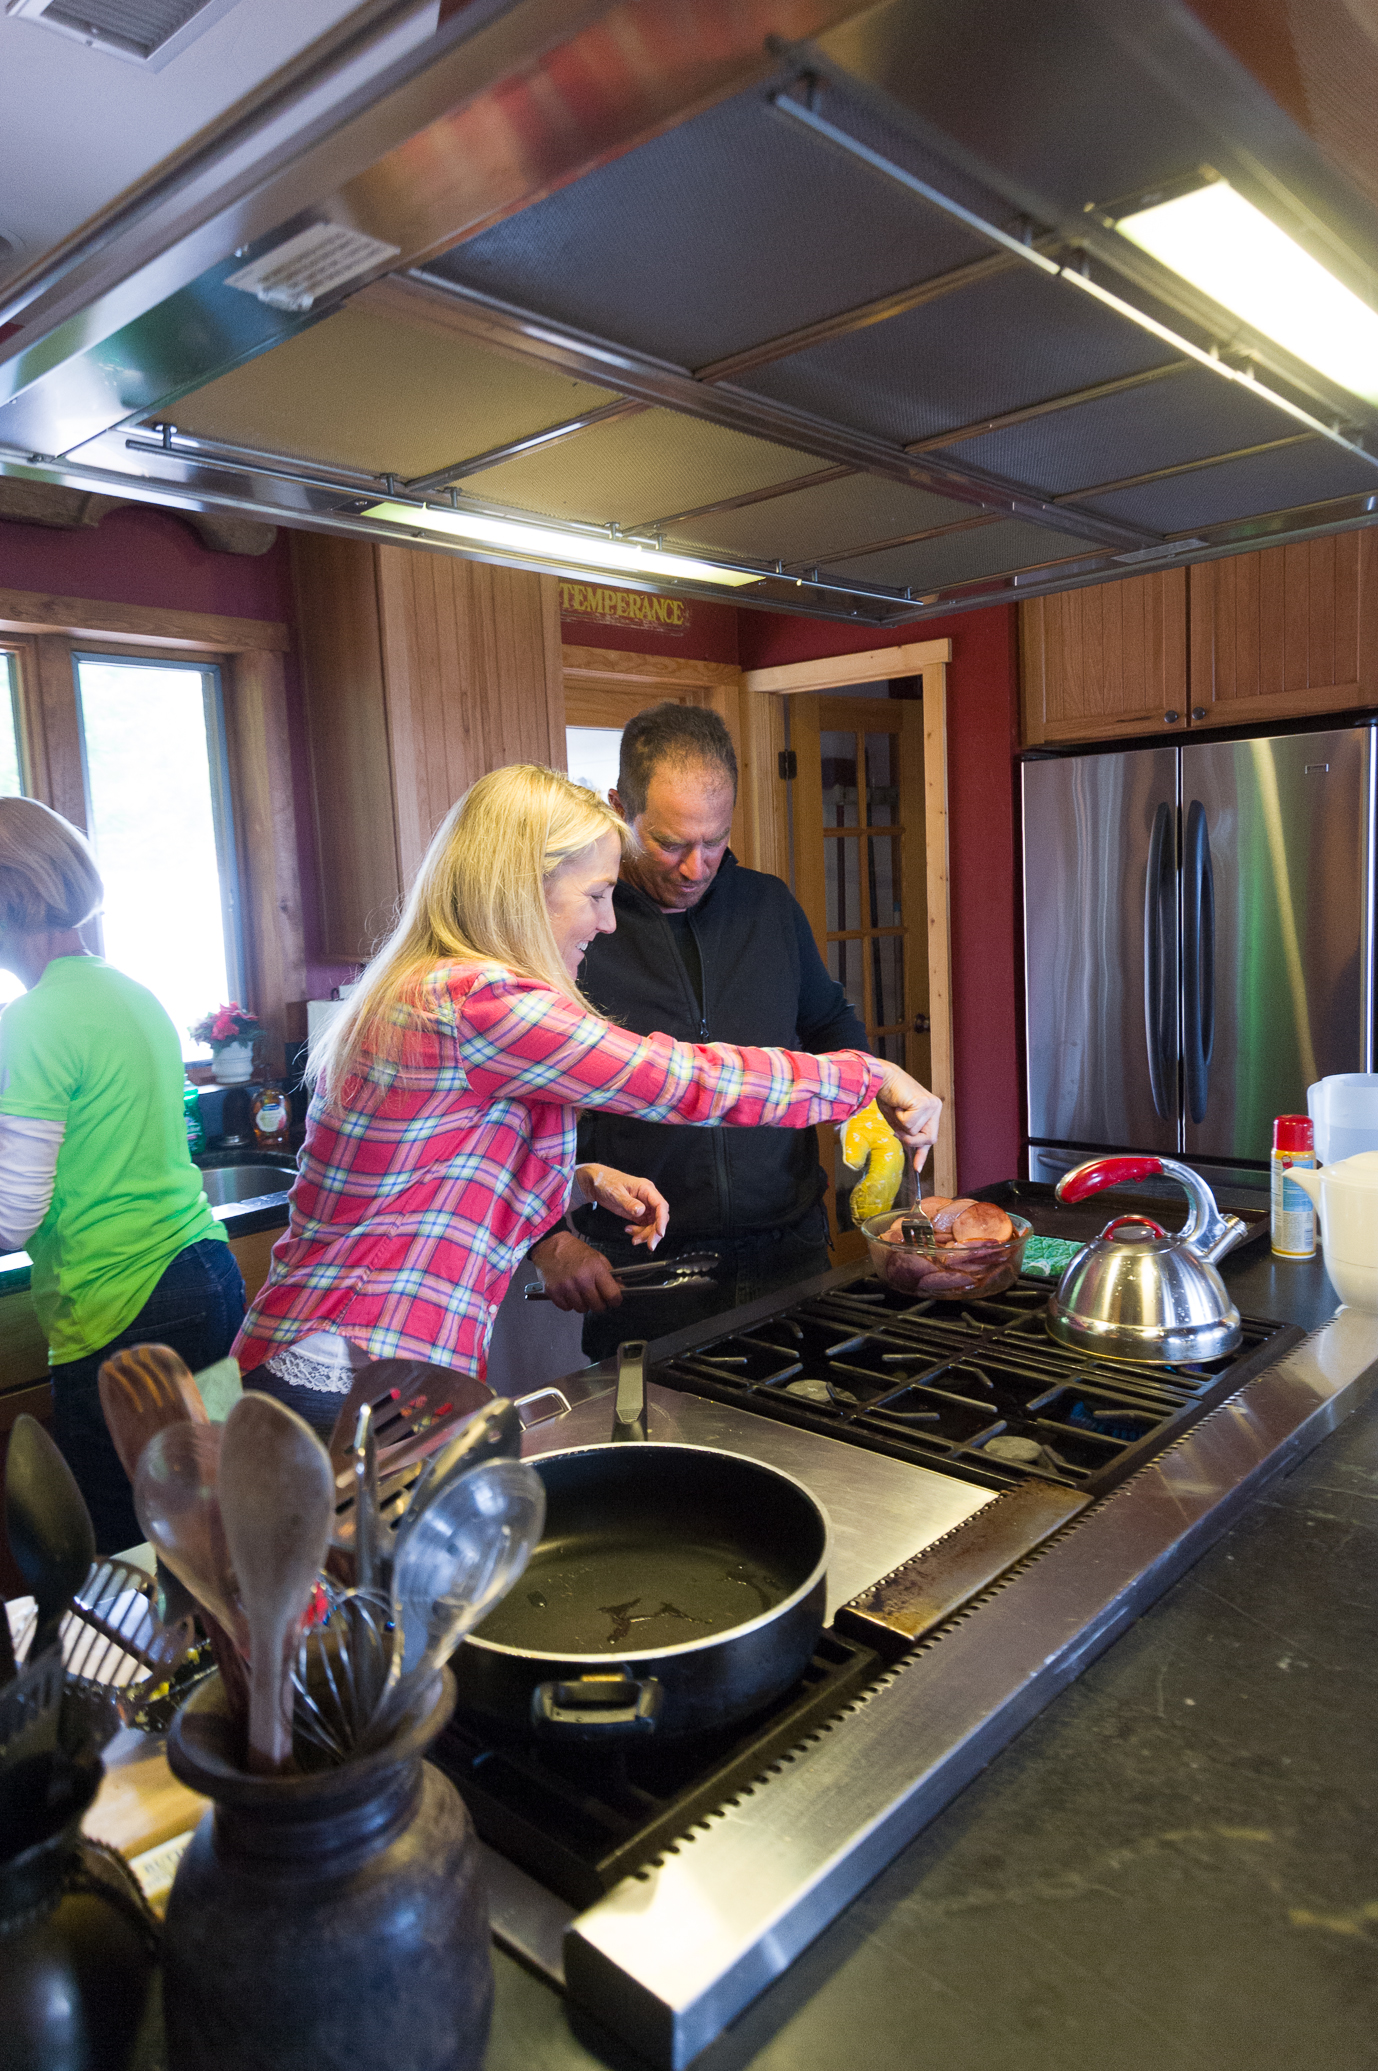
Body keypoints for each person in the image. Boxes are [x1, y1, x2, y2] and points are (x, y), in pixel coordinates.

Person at [232, 765, 938, 1422]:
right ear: (521, 889)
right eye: (596, 896)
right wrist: (866, 1077)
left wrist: (577, 1177)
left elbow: (427, 1174)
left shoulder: (421, 986)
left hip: (312, 1352)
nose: (607, 922)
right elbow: (681, 1079)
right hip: (358, 1367)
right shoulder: (484, 1000)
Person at [528, 705, 887, 1361]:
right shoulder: (576, 929)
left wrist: (869, 1102)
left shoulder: (769, 905)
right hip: (644, 1263)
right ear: (618, 807)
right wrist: (550, 1237)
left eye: (715, 841)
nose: (696, 867)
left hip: (790, 1248)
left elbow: (830, 1021)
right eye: (670, 843)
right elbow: (518, 1113)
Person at [0, 798, 245, 1552]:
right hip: (203, 1275)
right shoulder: (132, 995)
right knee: (216, 1526)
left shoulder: (31, 1022)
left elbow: (12, 1214)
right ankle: (240, 1668)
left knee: (137, 1546)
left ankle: (176, 1673)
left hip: (121, 1311)